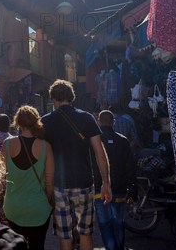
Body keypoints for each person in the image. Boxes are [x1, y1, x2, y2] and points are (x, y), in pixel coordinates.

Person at [41, 79, 112, 250]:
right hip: (84, 183)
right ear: (72, 97)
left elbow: (42, 155)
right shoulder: (86, 118)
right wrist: (106, 183)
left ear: (53, 99)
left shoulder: (45, 121)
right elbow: (100, 153)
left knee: (65, 235)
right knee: (85, 232)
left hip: (59, 185)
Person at [2, 106, 54, 250]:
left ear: (17, 122)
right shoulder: (45, 147)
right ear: (36, 122)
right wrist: (49, 201)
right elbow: (49, 181)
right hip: (39, 208)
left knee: (17, 246)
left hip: (13, 207)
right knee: (38, 246)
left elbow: (1, 176)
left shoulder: (7, 144)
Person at [94, 110, 137, 250]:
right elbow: (130, 167)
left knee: (105, 225)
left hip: (99, 190)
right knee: (118, 222)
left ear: (99, 121)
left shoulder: (94, 141)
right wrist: (132, 190)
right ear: (113, 122)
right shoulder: (123, 140)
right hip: (119, 189)